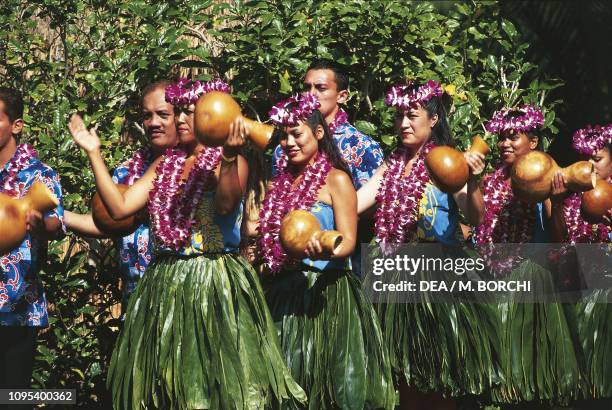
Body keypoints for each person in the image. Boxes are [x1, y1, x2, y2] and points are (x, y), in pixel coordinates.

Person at [69, 79, 305, 409]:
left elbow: (225, 204)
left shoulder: (233, 161)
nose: (179, 119)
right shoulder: (164, 164)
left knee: (213, 385)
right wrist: (93, 153)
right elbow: (120, 207)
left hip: (213, 281)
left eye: (188, 113)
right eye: (177, 111)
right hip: (164, 282)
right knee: (166, 387)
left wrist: (229, 156)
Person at [356, 81, 492, 410]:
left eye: (412, 116)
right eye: (399, 116)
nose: (403, 123)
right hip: (394, 274)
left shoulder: (447, 161)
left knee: (438, 372)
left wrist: (472, 180)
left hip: (437, 278)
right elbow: (357, 203)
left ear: (433, 120)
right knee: (403, 375)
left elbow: (475, 215)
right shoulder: (391, 165)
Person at [259, 93, 395, 409]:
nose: (289, 142)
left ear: (318, 133)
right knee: (287, 387)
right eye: (284, 135)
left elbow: (348, 240)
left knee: (329, 388)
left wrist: (323, 249)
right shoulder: (280, 183)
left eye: (297, 133)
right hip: (286, 291)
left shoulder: (337, 179)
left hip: (328, 293)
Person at [472, 105, 583, 404]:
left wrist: (557, 202)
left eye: (513, 137)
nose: (505, 144)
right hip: (496, 279)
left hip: (533, 279)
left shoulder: (547, 173)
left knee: (533, 372)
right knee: (505, 376)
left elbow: (559, 239)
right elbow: (477, 224)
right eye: (501, 138)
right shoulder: (492, 180)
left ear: (532, 141)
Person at [65, 80, 178, 313]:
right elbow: (111, 221)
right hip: (135, 296)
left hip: (178, 294)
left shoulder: (193, 168)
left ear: (182, 116)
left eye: (163, 114)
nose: (153, 122)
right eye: (147, 115)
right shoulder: (127, 171)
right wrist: (57, 213)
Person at [271, 59, 384, 277]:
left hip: (340, 262)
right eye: (306, 88)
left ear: (342, 96)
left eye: (320, 88)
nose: (310, 95)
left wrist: (324, 227)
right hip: (287, 265)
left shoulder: (360, 146)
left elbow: (374, 209)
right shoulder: (283, 149)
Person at [0, 87, 64, 394]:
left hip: (17, 309)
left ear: (16, 125)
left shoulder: (37, 176)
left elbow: (57, 226)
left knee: (12, 397)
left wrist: (39, 225)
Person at [549, 124, 611, 402]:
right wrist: (558, 201)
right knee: (583, 383)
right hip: (577, 293)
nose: (589, 166)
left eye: (596, 159)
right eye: (584, 159)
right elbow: (559, 242)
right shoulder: (573, 198)